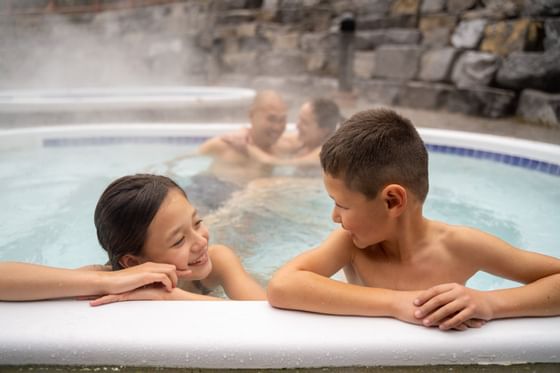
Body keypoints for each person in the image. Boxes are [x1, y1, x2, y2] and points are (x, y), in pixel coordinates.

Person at [267, 108, 560, 331]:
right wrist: (395, 303)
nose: (334, 217)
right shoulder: (351, 246)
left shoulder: (460, 246)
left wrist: (490, 303)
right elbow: (282, 286)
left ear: (392, 200)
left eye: (342, 205)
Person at [0, 174, 265, 305]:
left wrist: (174, 298)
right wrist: (106, 280)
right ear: (131, 262)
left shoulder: (218, 261)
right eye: (177, 241)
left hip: (240, 237)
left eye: (197, 222)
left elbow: (265, 318)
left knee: (238, 217)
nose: (200, 242)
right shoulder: (107, 277)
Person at [244, 98, 343, 166]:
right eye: (299, 120)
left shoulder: (325, 153)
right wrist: (245, 134)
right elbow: (280, 140)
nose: (297, 126)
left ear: (323, 131)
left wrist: (248, 146)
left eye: (304, 123)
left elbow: (275, 164)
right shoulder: (306, 142)